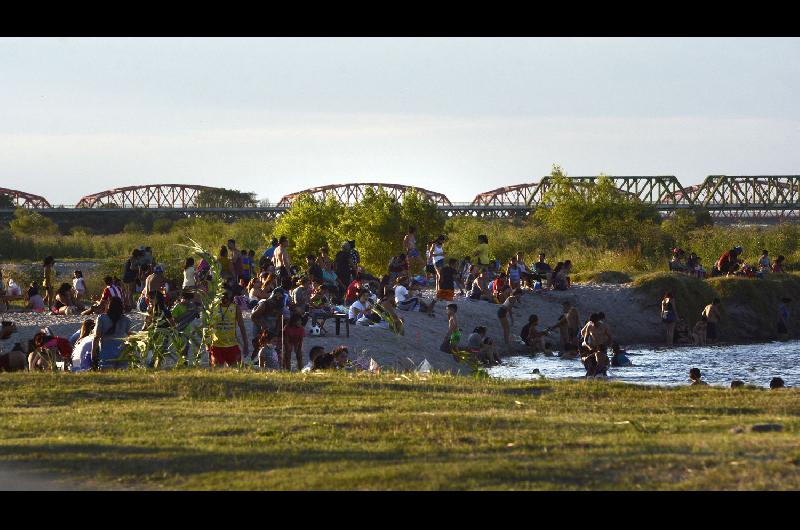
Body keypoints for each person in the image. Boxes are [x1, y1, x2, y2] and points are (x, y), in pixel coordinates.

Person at [208, 289, 249, 367]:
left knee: (236, 369)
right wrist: (208, 344)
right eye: (222, 299)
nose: (224, 301)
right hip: (216, 346)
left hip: (232, 345)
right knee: (217, 371)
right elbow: (208, 326)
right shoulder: (214, 308)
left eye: (226, 299)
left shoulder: (235, 308)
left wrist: (246, 345)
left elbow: (242, 327)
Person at [91, 297, 133, 370]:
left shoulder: (102, 318)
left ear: (108, 306)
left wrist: (93, 354)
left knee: (107, 379)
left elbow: (96, 337)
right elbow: (131, 337)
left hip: (106, 354)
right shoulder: (126, 320)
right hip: (123, 355)